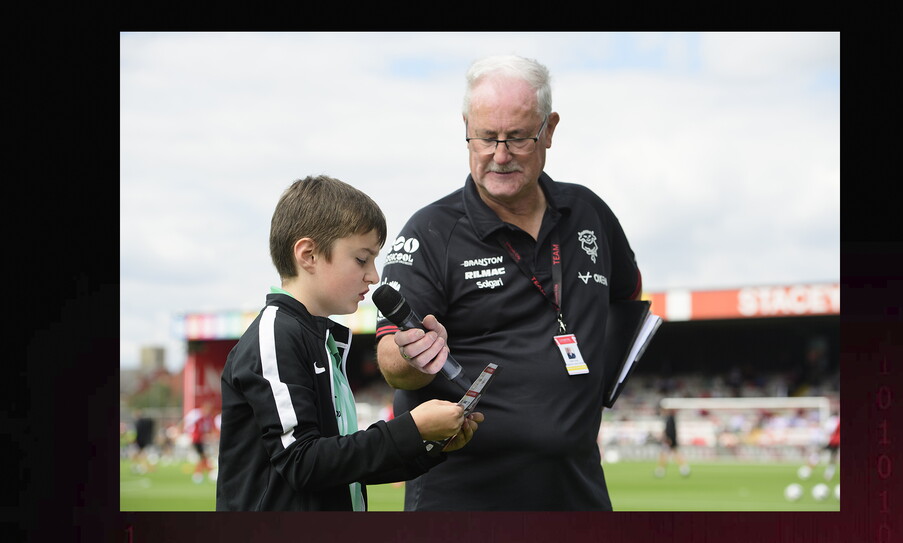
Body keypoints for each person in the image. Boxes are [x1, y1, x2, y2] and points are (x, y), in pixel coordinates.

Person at [375, 55, 643, 510]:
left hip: (577, 493)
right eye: (485, 138)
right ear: (465, 127)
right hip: (463, 500)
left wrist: (597, 384)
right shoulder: (430, 231)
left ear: (549, 130)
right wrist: (411, 355)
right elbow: (388, 356)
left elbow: (627, 297)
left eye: (517, 138)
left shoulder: (588, 213)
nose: (499, 155)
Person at [216, 175, 483, 511]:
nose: (374, 275)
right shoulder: (276, 334)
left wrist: (431, 445)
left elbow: (343, 463)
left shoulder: (319, 337)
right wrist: (411, 429)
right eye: (361, 259)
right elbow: (303, 462)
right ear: (308, 255)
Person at [182, 400, 217, 483]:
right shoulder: (197, 416)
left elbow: (209, 429)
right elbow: (187, 423)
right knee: (203, 457)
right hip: (196, 440)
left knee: (203, 457)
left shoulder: (207, 418)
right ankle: (205, 473)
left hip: (201, 440)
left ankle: (199, 474)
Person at [654, 408, 690, 477]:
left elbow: (670, 430)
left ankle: (661, 470)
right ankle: (684, 468)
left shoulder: (670, 419)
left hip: (669, 440)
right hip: (670, 440)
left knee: (664, 454)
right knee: (673, 454)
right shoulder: (670, 418)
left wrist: (668, 439)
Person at [131, 409, 155, 474]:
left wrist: (135, 440)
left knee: (140, 455)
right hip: (143, 441)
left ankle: (143, 467)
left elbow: (138, 433)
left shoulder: (139, 423)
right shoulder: (143, 422)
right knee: (139, 455)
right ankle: (141, 467)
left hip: (141, 441)